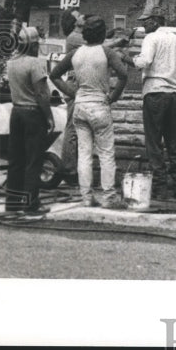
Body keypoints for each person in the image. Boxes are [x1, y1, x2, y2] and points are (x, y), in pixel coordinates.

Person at [50, 15, 128, 208]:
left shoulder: (76, 53)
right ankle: (109, 196)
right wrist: (114, 96)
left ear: (84, 34)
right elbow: (123, 74)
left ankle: (86, 197)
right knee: (106, 153)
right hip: (100, 104)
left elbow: (54, 75)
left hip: (81, 105)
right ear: (102, 34)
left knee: (84, 153)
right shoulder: (106, 52)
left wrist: (73, 93)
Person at [134, 8, 176, 200]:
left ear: (156, 21)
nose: (143, 25)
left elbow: (145, 61)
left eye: (146, 21)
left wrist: (132, 59)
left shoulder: (151, 38)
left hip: (155, 92)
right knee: (173, 140)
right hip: (174, 93)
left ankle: (160, 188)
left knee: (154, 142)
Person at [4, 26, 54, 217]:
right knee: (34, 160)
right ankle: (30, 204)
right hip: (33, 114)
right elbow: (41, 94)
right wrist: (48, 116)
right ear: (33, 45)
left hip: (16, 112)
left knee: (16, 160)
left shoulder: (11, 63)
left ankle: (13, 203)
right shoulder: (35, 64)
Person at [58, 9, 85, 181]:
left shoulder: (78, 36)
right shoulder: (74, 38)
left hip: (79, 82)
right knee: (72, 128)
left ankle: (74, 168)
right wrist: (118, 41)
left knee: (78, 127)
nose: (82, 15)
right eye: (78, 15)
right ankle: (69, 170)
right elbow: (97, 46)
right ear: (74, 21)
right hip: (74, 84)